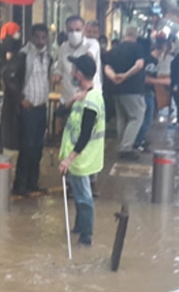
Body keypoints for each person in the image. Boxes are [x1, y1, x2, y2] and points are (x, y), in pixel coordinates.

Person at [58, 55, 105, 246]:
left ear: (79, 73)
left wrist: (68, 159)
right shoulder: (82, 95)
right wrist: (71, 101)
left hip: (82, 158)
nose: (70, 72)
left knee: (84, 197)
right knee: (78, 194)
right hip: (78, 157)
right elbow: (58, 113)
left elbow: (85, 134)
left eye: (73, 69)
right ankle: (79, 227)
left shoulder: (92, 100)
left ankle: (86, 236)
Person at [12, 24, 51, 196]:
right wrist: (20, 99)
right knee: (27, 148)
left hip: (41, 107)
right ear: (31, 37)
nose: (41, 41)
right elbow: (9, 77)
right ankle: (20, 185)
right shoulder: (23, 55)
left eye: (44, 37)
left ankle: (32, 183)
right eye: (37, 37)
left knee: (37, 148)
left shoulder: (48, 56)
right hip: (28, 109)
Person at [104, 27, 146, 161]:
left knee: (122, 118)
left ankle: (122, 144)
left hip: (116, 89)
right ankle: (126, 147)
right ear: (135, 35)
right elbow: (139, 65)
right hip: (133, 88)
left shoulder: (115, 49)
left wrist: (114, 77)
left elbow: (107, 67)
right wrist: (126, 76)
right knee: (136, 116)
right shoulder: (137, 48)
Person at [53, 16, 102, 107]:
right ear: (66, 31)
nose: (74, 33)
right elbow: (59, 68)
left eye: (77, 30)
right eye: (70, 30)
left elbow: (89, 57)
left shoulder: (92, 44)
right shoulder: (63, 48)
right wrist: (57, 74)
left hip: (88, 100)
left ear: (84, 30)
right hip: (68, 100)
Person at [134, 37, 170, 152]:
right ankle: (137, 141)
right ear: (162, 48)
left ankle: (139, 139)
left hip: (147, 91)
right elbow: (146, 79)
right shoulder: (150, 60)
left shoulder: (152, 60)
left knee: (146, 117)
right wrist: (162, 82)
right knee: (146, 118)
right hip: (145, 92)